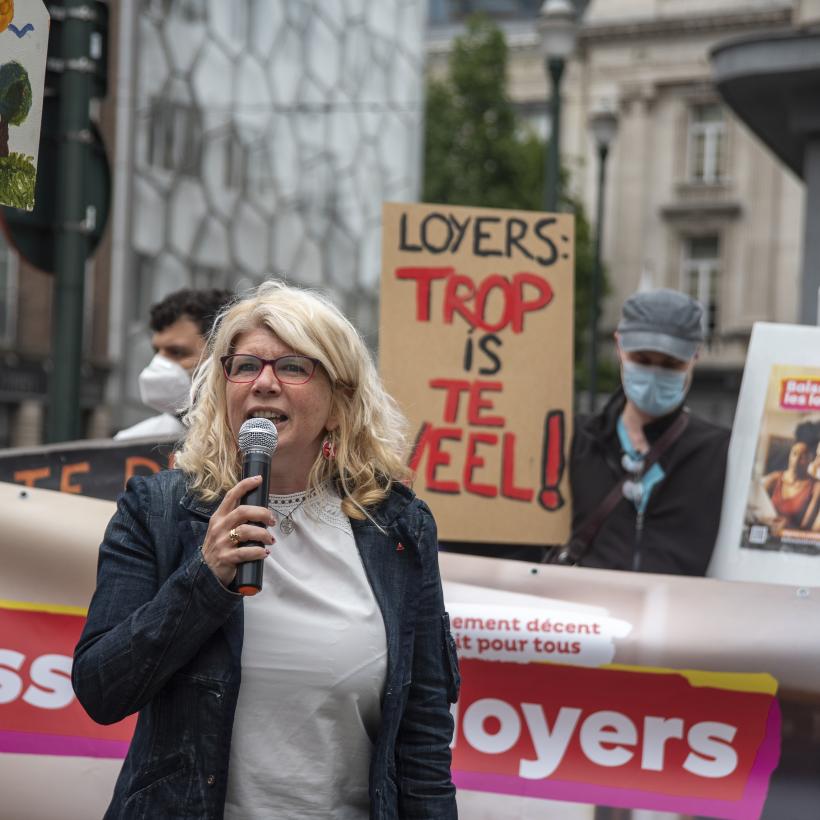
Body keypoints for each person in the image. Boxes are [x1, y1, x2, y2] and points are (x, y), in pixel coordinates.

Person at [73, 281, 459, 819]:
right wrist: (204, 579)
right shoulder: (157, 512)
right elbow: (101, 691)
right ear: (223, 388)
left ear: (337, 402)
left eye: (294, 367)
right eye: (246, 366)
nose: (265, 384)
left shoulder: (396, 527)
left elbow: (422, 737)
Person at [566, 288, 730, 575]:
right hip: (590, 615)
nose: (654, 373)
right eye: (641, 360)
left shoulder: (722, 454)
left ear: (696, 356)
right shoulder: (575, 441)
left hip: (684, 617)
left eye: (671, 364)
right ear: (619, 347)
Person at [114, 287, 233, 440]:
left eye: (177, 352)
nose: (159, 363)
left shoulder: (254, 441)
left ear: (222, 356)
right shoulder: (132, 444)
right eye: (157, 351)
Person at [761, 440, 820, 532]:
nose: (796, 459)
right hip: (767, 530)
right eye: (794, 454)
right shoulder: (774, 479)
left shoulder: (816, 486)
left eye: (803, 456)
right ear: (789, 455)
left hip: (792, 536)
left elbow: (806, 527)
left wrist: (787, 525)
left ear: (810, 459)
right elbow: (755, 510)